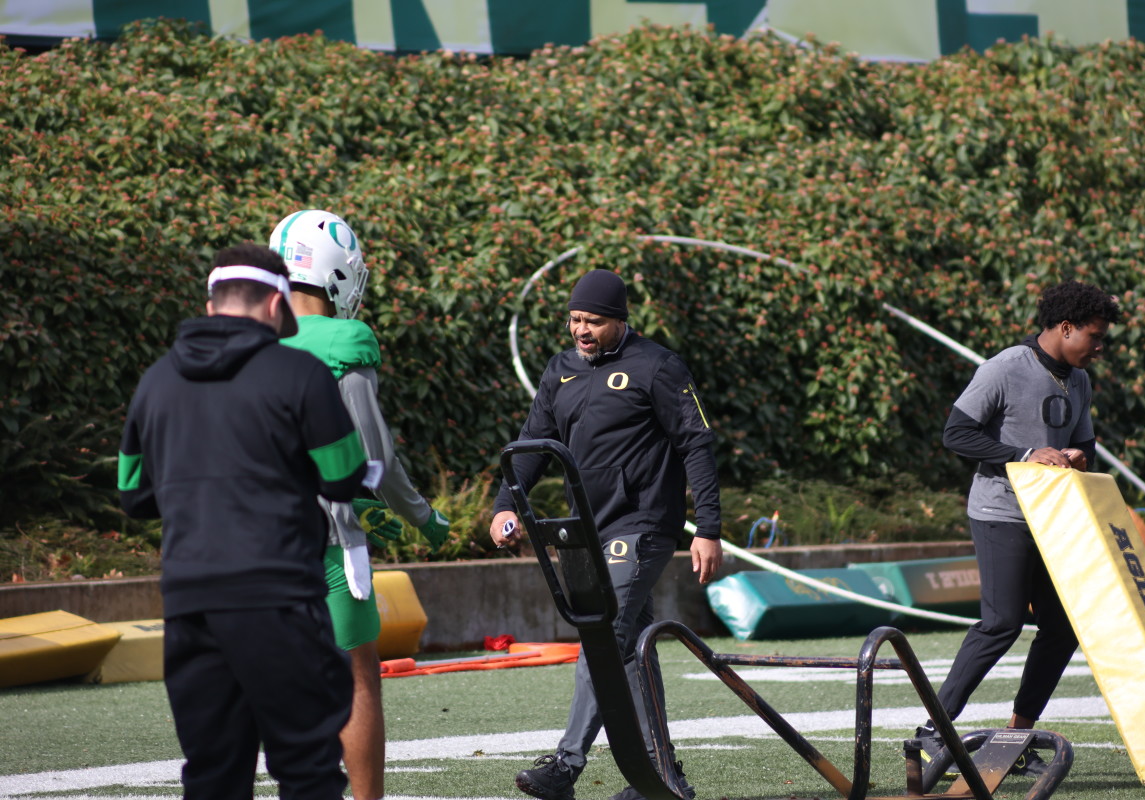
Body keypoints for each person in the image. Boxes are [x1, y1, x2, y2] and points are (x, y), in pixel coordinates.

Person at [118, 243, 367, 799]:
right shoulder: (299, 372)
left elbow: (133, 495)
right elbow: (344, 476)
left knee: (212, 773)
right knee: (307, 768)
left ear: (211, 307)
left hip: (191, 605)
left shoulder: (155, 382)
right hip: (279, 598)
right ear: (278, 306)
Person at [491, 269, 723, 800]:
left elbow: (697, 446)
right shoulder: (560, 371)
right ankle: (665, 780)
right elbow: (532, 444)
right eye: (575, 319)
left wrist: (707, 529)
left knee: (603, 634)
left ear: (620, 320)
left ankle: (566, 766)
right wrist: (506, 506)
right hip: (584, 532)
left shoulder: (657, 366)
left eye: (593, 321)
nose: (581, 330)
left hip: (642, 525)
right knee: (630, 647)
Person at [270, 209, 451, 800]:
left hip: (248, 539)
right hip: (325, 539)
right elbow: (374, 459)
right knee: (357, 678)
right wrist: (422, 516)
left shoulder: (246, 337)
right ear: (336, 274)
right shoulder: (346, 342)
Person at [914, 279, 1121, 776]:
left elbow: (1083, 445)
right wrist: (1026, 455)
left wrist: (1075, 455)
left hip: (1056, 521)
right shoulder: (1005, 367)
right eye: (1094, 337)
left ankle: (1017, 736)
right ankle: (929, 732)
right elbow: (956, 433)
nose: (1099, 347)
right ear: (1065, 327)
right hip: (1001, 513)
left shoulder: (1080, 379)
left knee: (1062, 628)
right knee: (1002, 622)